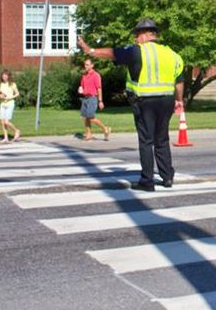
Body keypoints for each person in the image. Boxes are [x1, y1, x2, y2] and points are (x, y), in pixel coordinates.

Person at [78, 18, 184, 192]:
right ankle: (167, 177)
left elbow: (113, 53)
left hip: (145, 101)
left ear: (146, 34)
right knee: (162, 139)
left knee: (146, 141)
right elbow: (179, 80)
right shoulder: (172, 54)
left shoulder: (138, 51)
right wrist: (179, 100)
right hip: (166, 101)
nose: (135, 39)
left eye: (137, 35)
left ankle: (147, 181)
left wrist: (90, 50)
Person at [78, 58, 111, 141]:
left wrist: (100, 101)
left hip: (92, 98)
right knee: (85, 117)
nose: (85, 66)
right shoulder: (84, 76)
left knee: (90, 117)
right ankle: (88, 134)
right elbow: (82, 86)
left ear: (92, 65)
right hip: (85, 98)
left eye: (87, 65)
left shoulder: (96, 75)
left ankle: (105, 128)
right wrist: (80, 89)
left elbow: (99, 88)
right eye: (85, 64)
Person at [0, 69, 21, 143]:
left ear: (8, 76)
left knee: (6, 122)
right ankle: (6, 138)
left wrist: (10, 97)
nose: (4, 77)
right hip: (3, 104)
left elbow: (17, 93)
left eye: (6, 75)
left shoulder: (12, 84)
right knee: (2, 122)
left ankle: (16, 131)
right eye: (3, 75)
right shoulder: (0, 84)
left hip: (10, 103)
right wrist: (1, 95)